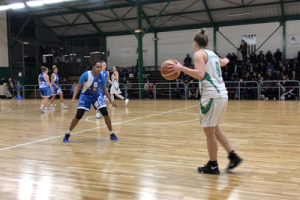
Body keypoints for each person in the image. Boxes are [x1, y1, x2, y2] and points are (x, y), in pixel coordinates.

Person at [168, 29, 243, 174]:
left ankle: (213, 165)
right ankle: (234, 156)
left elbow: (200, 74)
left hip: (212, 96)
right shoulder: (212, 54)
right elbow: (222, 62)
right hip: (222, 95)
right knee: (215, 130)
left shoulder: (198, 54)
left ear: (195, 43)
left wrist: (181, 68)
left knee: (209, 132)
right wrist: (227, 60)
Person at [63, 61, 118, 143]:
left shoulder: (102, 77)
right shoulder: (86, 75)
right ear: (93, 67)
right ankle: (68, 133)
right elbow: (78, 87)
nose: (99, 68)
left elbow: (104, 89)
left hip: (96, 96)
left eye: (100, 67)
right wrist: (73, 98)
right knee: (78, 116)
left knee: (105, 113)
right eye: (97, 67)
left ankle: (112, 133)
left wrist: (111, 100)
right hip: (85, 96)